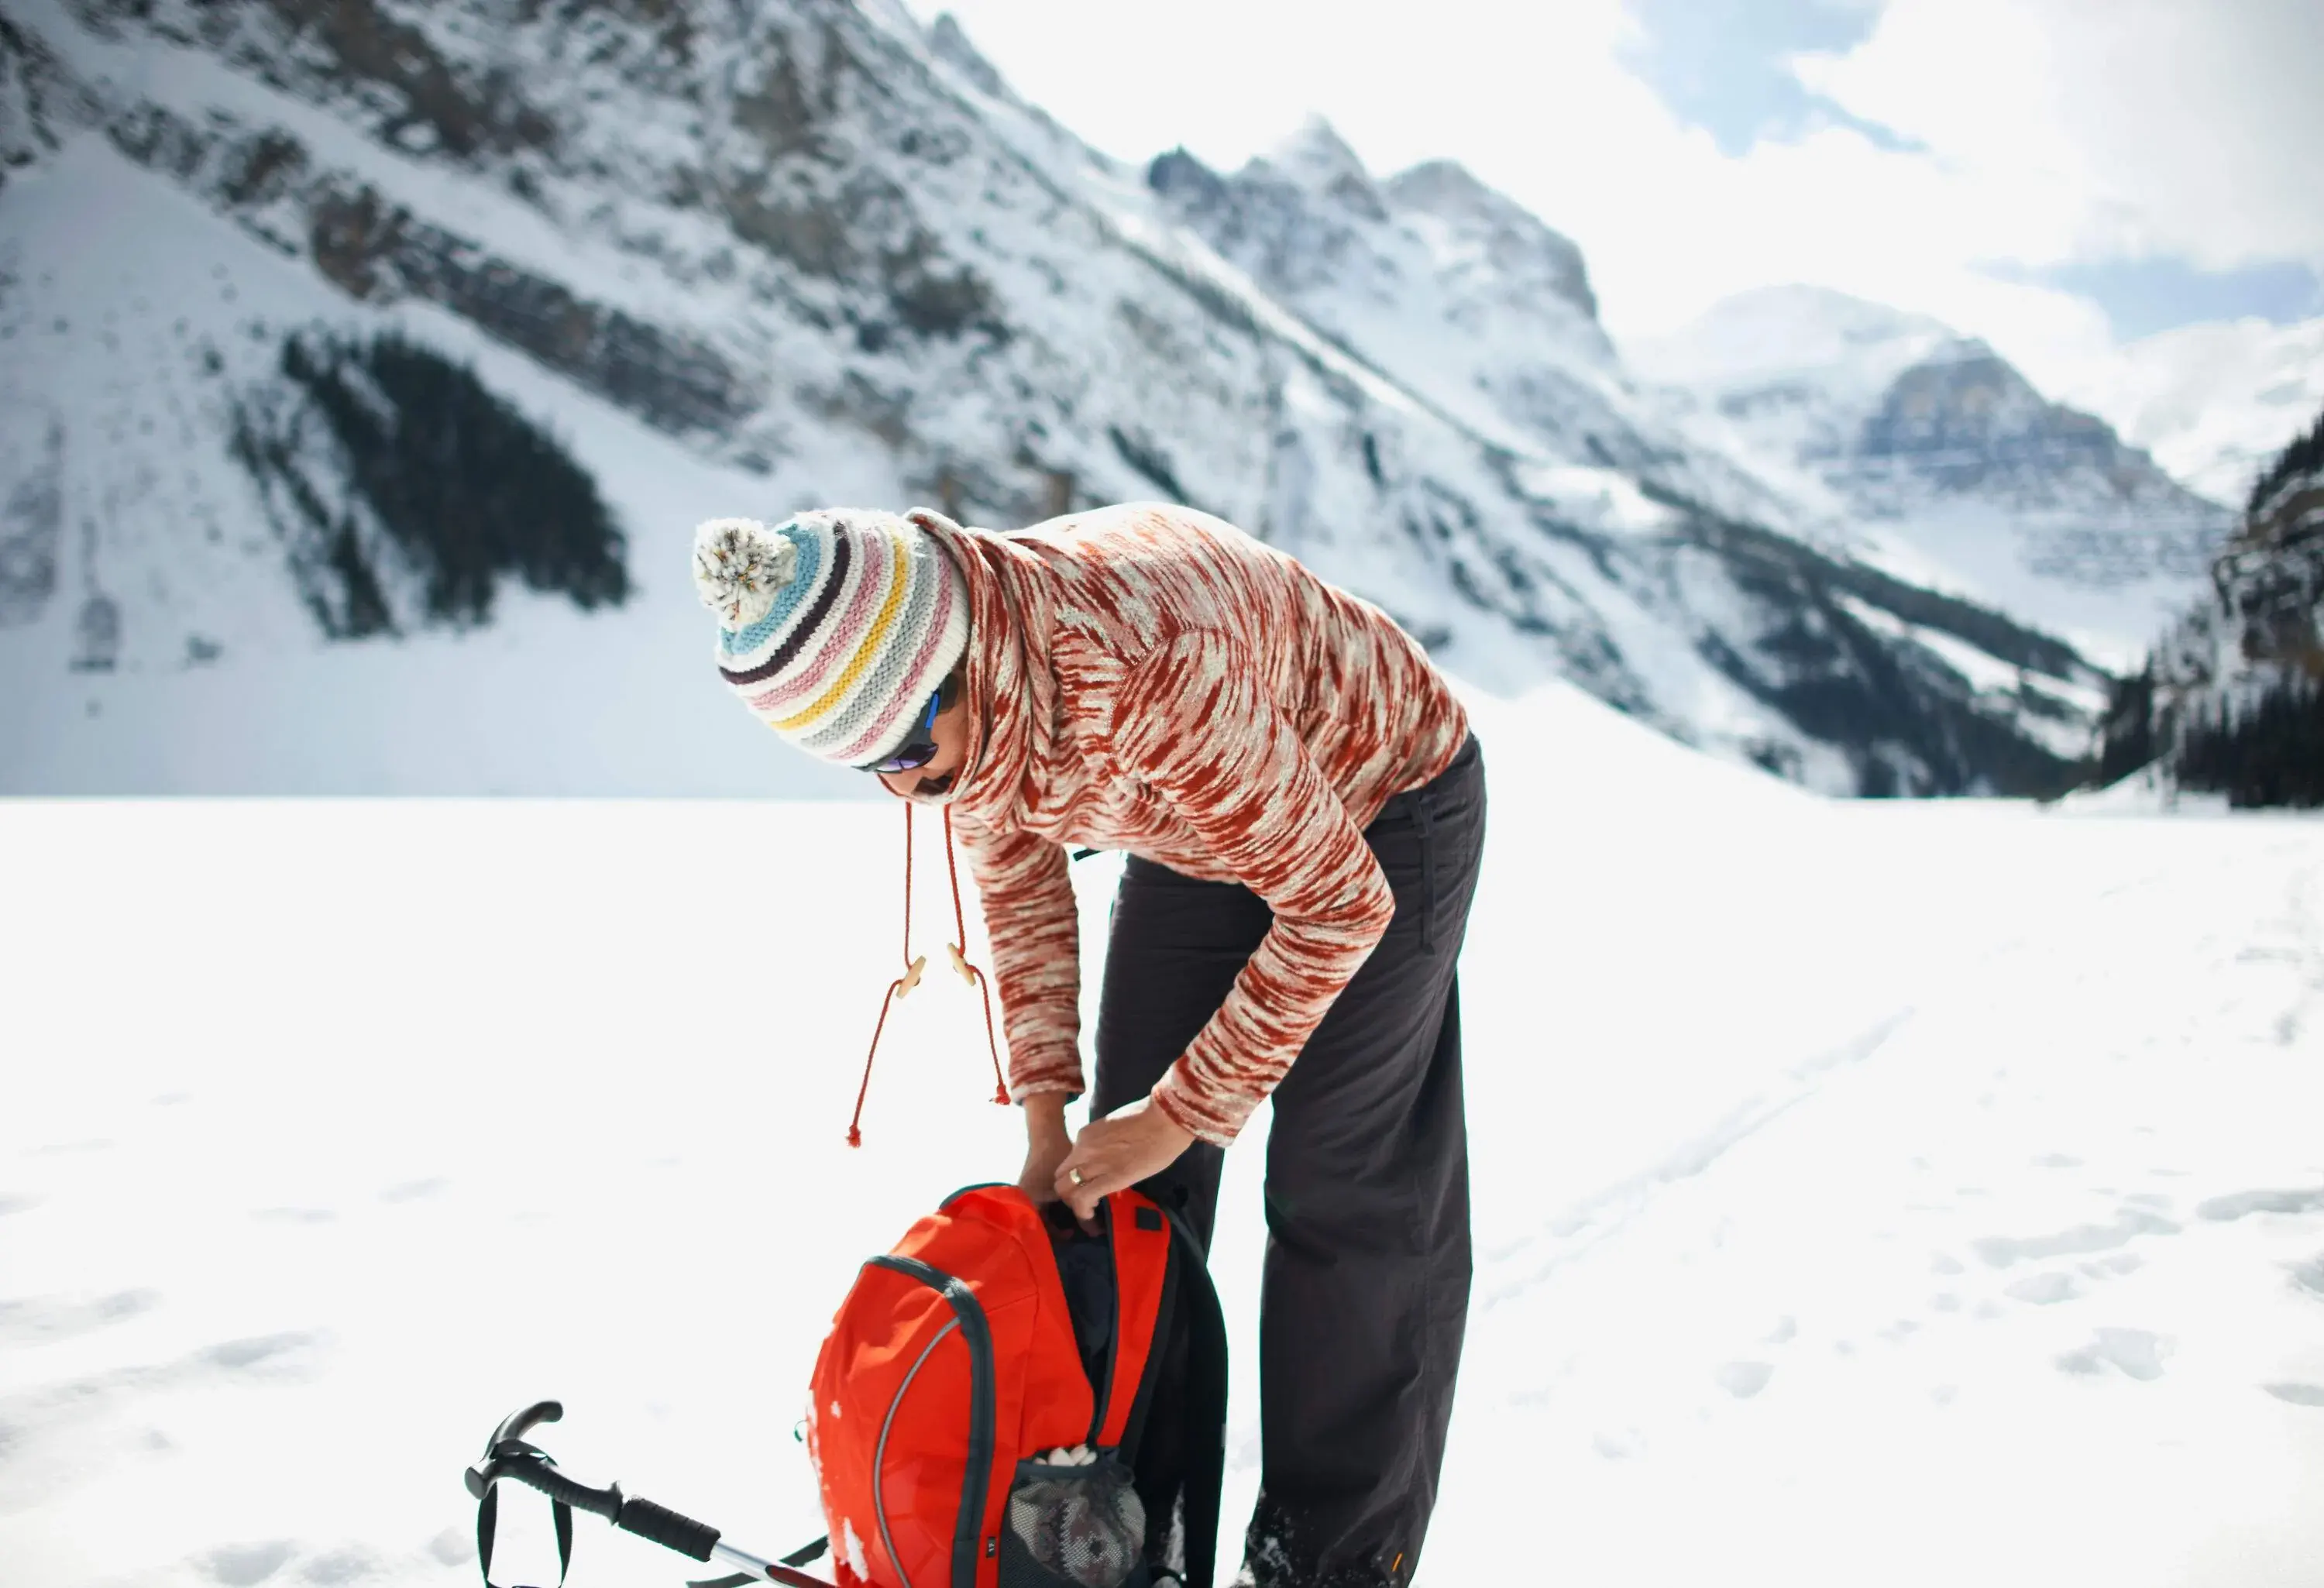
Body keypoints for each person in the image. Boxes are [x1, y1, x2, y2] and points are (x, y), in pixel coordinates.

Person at [692, 501, 1487, 1588]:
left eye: (916, 747)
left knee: (1337, 1186)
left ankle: (1331, 1556)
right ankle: (1115, 1525)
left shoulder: (1138, 670)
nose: (912, 785)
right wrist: (1045, 1120)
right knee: (1116, 1203)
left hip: (1385, 795)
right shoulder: (968, 700)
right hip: (1204, 809)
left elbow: (1341, 905)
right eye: (873, 766)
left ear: (955, 658)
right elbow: (1021, 892)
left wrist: (1179, 1113)